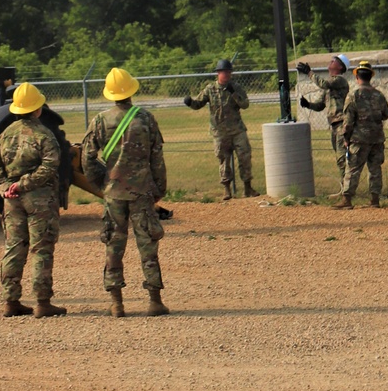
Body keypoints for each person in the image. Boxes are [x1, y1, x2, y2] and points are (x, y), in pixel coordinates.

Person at [82, 67, 169, 317]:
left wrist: (101, 184)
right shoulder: (145, 119)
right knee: (148, 244)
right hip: (142, 193)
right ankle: (154, 300)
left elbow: (87, 158)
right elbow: (157, 158)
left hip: (113, 194)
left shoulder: (100, 121)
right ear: (131, 90)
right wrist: (159, 189)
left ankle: (116, 303)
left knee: (113, 245)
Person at [0, 82, 66, 318]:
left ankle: (11, 301)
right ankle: (43, 303)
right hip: (39, 200)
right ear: (38, 109)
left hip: (12, 201)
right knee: (41, 248)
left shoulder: (5, 135)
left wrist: (4, 187)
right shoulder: (44, 135)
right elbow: (51, 165)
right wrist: (25, 184)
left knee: (14, 247)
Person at [184, 59, 258, 199]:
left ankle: (248, 188)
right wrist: (190, 102)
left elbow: (245, 104)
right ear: (218, 73)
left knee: (245, 157)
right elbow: (198, 104)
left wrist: (233, 93)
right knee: (223, 160)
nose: (227, 74)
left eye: (229, 72)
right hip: (220, 132)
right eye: (224, 72)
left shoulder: (236, 87)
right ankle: (227, 190)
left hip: (237, 130)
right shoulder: (210, 89)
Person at [337, 60, 388, 209]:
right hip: (377, 138)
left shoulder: (353, 95)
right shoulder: (379, 95)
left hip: (359, 139)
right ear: (370, 77)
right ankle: (374, 199)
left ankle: (347, 199)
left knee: (353, 169)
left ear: (357, 77)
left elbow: (348, 121)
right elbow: (385, 114)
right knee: (375, 169)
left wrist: (346, 138)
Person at [296, 53, 351, 188]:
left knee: (341, 157)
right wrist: (308, 104)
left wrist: (309, 73)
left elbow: (324, 84)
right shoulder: (331, 85)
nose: (330, 62)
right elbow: (320, 105)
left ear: (340, 66)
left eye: (333, 61)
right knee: (339, 157)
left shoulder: (339, 80)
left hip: (341, 124)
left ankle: (347, 188)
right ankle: (346, 186)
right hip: (334, 125)